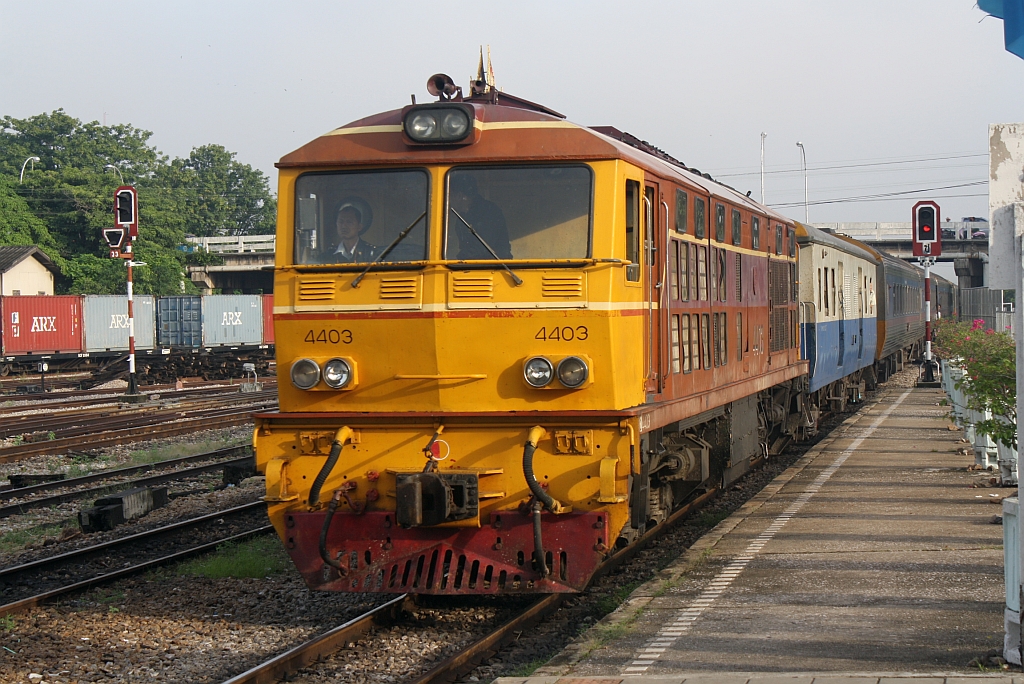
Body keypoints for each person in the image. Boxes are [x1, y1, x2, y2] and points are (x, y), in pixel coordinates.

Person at [448, 175, 512, 260]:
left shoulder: (489, 212)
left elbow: (481, 247)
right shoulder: (461, 216)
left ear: (459, 196)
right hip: (469, 268)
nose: (448, 200)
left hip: (495, 268)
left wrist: (456, 261)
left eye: (450, 195)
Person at [323, 198, 377, 263]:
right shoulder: (328, 255)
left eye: (349, 222)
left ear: (359, 227)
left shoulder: (371, 254)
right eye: (340, 221)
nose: (344, 226)